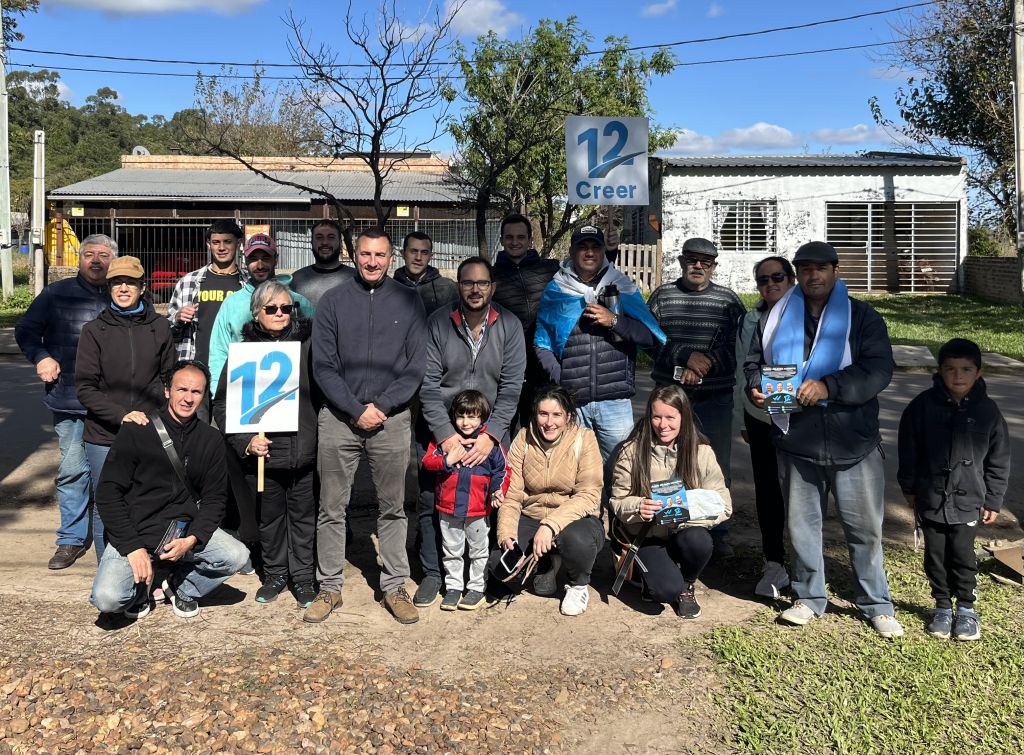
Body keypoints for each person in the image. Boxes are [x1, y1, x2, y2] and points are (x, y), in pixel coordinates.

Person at [744, 241, 904, 638]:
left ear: (835, 270)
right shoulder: (776, 318)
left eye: (821, 268)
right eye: (805, 269)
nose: (813, 275)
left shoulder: (862, 317)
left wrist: (829, 386)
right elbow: (754, 363)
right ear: (798, 274)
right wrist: (756, 388)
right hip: (797, 440)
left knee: (864, 530)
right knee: (802, 528)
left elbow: (878, 369)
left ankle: (877, 603)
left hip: (853, 442)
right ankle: (808, 597)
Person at [308, 228, 427, 625]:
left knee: (393, 508)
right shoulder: (333, 301)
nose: (372, 262)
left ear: (391, 258)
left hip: (391, 420)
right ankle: (329, 587)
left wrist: (384, 406)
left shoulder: (409, 300)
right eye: (365, 254)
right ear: (354, 255)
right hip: (339, 419)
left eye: (379, 255)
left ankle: (395, 586)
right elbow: (323, 365)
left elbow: (416, 366)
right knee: (331, 508)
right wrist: (354, 409)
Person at [89, 360, 249, 620]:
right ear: (167, 391)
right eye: (181, 389)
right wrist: (132, 547)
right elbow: (108, 494)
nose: (188, 398)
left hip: (182, 530)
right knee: (108, 598)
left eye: (196, 392)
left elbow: (215, 499)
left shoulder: (211, 439)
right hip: (137, 530)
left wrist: (192, 539)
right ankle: (140, 590)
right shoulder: (137, 430)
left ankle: (180, 586)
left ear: (204, 395)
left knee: (236, 555)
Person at [412, 256, 525, 607]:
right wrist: (447, 437)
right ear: (458, 285)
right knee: (432, 502)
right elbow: (428, 385)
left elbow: (511, 388)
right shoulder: (437, 323)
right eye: (468, 282)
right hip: (441, 428)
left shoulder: (509, 325)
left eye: (482, 283)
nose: (475, 289)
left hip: (489, 431)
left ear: (493, 286)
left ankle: (481, 575)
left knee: (489, 501)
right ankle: (434, 574)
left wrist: (490, 437)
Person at [213, 282, 320, 609]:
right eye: (271, 308)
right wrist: (245, 442)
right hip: (263, 456)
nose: (280, 314)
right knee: (269, 519)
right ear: (256, 313)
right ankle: (275, 574)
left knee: (303, 519)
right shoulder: (243, 353)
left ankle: (303, 577)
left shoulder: (309, 347)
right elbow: (222, 404)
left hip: (303, 452)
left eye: (286, 308)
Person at [897, 338, 1010, 641]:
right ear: (939, 371)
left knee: (962, 555)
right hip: (931, 497)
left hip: (969, 501)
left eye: (966, 369)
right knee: (935, 556)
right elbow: (908, 451)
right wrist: (909, 487)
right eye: (950, 369)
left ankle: (967, 609)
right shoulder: (921, 407)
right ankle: (943, 607)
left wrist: (993, 499)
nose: (958, 376)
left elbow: (999, 460)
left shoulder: (989, 411)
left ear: (978, 373)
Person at [15, 233, 113, 569]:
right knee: (73, 471)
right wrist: (41, 356)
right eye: (89, 254)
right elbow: (26, 330)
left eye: (103, 255)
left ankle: (112, 537)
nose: (96, 260)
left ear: (113, 260)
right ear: (79, 259)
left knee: (111, 475)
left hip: (112, 404)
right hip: (70, 400)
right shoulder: (55, 294)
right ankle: (71, 538)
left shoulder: (121, 294)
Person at [649, 237, 745, 556]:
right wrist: (685, 356)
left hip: (715, 398)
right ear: (681, 262)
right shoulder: (662, 297)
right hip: (670, 400)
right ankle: (670, 529)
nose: (698, 266)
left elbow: (740, 346)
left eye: (706, 261)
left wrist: (706, 364)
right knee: (667, 464)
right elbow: (650, 341)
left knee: (715, 465)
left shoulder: (729, 301)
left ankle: (717, 532)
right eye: (692, 259)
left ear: (714, 266)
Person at [76, 255, 176, 560]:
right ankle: (108, 573)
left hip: (148, 431)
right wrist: (121, 415)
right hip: (104, 435)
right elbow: (85, 388)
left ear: (142, 287)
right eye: (117, 282)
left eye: (130, 283)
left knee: (146, 502)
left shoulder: (160, 327)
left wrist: (161, 415)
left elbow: (168, 378)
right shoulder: (94, 331)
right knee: (107, 505)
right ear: (108, 288)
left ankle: (145, 570)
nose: (123, 288)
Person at [534, 225, 664, 461]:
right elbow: (542, 343)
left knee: (621, 470)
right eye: (582, 247)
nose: (589, 252)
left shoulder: (621, 286)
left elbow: (649, 337)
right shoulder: (557, 290)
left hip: (616, 403)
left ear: (604, 251)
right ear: (572, 252)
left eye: (595, 247)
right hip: (574, 404)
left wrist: (614, 321)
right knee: (577, 472)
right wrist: (562, 379)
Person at [609, 385, 732, 618]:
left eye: (670, 418)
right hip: (647, 535)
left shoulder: (702, 452)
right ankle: (644, 574)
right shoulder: (631, 451)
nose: (663, 425)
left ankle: (687, 583)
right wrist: (638, 507)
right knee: (664, 590)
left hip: (683, 533)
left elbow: (724, 505)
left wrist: (686, 517)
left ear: (683, 417)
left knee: (699, 541)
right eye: (657, 417)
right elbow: (617, 501)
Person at [494, 386, 604, 616]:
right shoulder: (523, 438)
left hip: (574, 519)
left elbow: (589, 495)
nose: (549, 422)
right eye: (543, 414)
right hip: (532, 515)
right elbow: (512, 495)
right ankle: (546, 564)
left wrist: (550, 525)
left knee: (575, 540)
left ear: (568, 416)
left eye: (557, 415)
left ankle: (578, 584)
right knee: (498, 565)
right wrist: (507, 535)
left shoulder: (584, 439)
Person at [733, 256, 796, 598]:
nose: (770, 284)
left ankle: (805, 566)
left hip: (802, 420)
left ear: (791, 280)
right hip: (761, 418)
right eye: (763, 280)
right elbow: (742, 368)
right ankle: (774, 562)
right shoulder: (750, 319)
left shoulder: (809, 314)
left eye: (777, 277)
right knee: (768, 492)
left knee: (802, 493)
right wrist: (742, 413)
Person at [422, 390, 509, 611]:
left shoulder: (489, 444)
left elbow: (502, 470)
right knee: (452, 550)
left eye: (472, 416)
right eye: (460, 416)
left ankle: (477, 588)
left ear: (482, 417)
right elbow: (427, 462)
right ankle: (453, 587)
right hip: (448, 507)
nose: (465, 422)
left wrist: (497, 491)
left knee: (478, 551)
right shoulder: (446, 440)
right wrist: (446, 460)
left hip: (478, 509)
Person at [207, 232, 314, 395]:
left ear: (276, 259)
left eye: (266, 258)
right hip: (244, 394)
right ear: (245, 261)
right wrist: (218, 394)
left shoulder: (299, 302)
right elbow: (219, 353)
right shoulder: (231, 304)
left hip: (293, 395)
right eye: (253, 259)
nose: (260, 265)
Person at [491, 213, 560, 431]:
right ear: (502, 240)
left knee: (541, 430)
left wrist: (610, 253)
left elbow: (586, 276)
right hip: (506, 367)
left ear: (530, 240)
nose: (515, 242)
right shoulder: (491, 276)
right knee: (504, 430)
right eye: (509, 237)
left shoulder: (550, 270)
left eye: (521, 237)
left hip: (544, 364)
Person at [166, 219, 247, 365]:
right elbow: (168, 330)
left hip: (238, 365)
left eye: (227, 242)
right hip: (196, 367)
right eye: (216, 242)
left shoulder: (248, 284)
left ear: (238, 243)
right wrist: (177, 318)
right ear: (208, 244)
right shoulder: (188, 282)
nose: (221, 247)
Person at [288, 219, 356, 306]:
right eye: (319, 237)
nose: (325, 242)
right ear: (311, 242)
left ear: (340, 243)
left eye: (331, 237)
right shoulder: (295, 280)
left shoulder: (357, 279)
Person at [393, 231, 458, 316]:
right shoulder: (390, 287)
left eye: (424, 253)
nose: (418, 258)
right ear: (403, 254)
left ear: (430, 257)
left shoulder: (447, 288)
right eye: (413, 251)